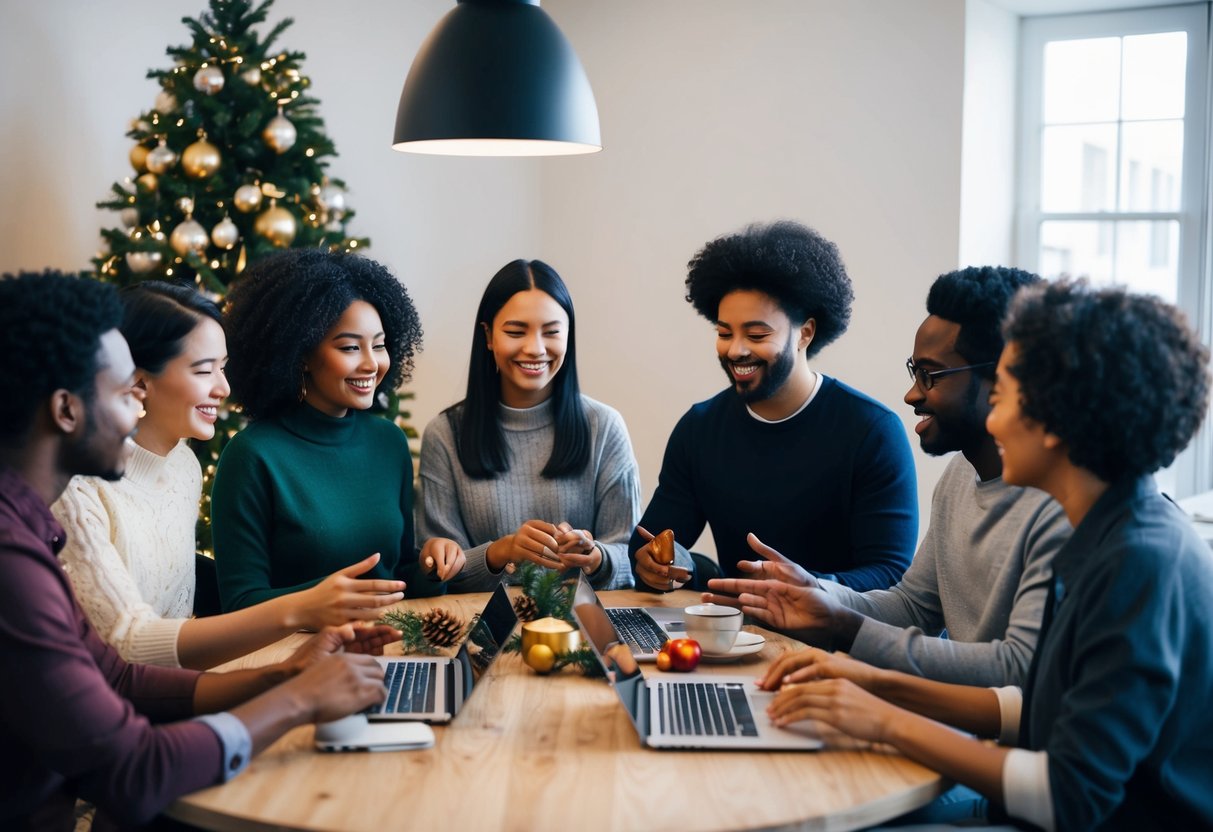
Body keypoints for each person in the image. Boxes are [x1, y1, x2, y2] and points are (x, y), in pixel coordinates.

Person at [760, 281, 1213, 829]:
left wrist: (885, 720)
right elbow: (1047, 708)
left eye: (1005, 398)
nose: (993, 423)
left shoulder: (1136, 563)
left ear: (1059, 417)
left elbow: (1069, 796)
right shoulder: (1111, 530)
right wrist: (870, 682)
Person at [0, 270, 394, 830]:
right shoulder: (13, 559)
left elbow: (117, 679)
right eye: (123, 393)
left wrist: (284, 676)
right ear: (66, 410)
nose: (133, 410)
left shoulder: (29, 524)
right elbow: (131, 768)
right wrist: (298, 700)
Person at [703, 267, 1070, 686]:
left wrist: (844, 627)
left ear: (1001, 379)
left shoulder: (1060, 506)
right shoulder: (959, 476)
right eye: (914, 371)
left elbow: (1018, 671)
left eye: (930, 375)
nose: (912, 394)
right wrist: (817, 592)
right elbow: (913, 607)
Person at [52, 281, 407, 670]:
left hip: (180, 691)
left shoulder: (183, 466)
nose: (223, 388)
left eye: (222, 368)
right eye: (205, 371)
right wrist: (301, 609)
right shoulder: (76, 491)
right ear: (139, 383)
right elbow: (129, 643)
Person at [630, 220, 917, 592]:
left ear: (806, 333)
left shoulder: (871, 431)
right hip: (744, 636)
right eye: (723, 333)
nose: (735, 350)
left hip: (840, 644)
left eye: (756, 334)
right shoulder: (700, 429)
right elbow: (651, 542)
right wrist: (656, 564)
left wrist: (803, 589)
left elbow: (890, 573)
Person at [212, 249, 464, 611]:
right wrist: (324, 598)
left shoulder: (389, 442)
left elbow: (398, 575)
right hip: (294, 657)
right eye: (349, 347)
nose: (371, 363)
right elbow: (240, 603)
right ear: (300, 355)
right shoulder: (251, 456)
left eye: (378, 345)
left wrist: (432, 565)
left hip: (386, 646)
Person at [418, 259, 641, 590]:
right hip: (479, 632)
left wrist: (595, 557)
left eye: (551, 332)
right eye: (516, 331)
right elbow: (440, 573)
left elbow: (633, 558)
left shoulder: (604, 426)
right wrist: (501, 551)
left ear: (569, 336)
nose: (535, 348)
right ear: (488, 336)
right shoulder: (445, 434)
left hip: (582, 630)